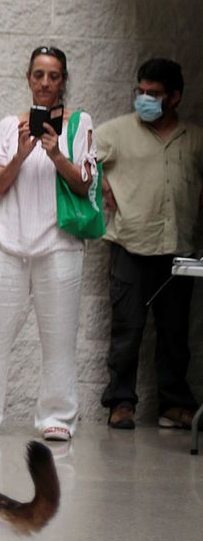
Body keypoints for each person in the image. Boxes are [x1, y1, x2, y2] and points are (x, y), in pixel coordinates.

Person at [0, 46, 95, 440]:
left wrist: (55, 153)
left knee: (59, 338)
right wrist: (21, 153)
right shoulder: (10, 125)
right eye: (38, 75)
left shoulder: (79, 124)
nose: (45, 83)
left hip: (60, 246)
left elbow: (84, 183)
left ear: (64, 81)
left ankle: (57, 417)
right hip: (7, 244)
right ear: (28, 78)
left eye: (54, 76)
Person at [95, 58, 202, 430]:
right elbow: (80, 160)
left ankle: (173, 404)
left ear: (175, 97)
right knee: (127, 329)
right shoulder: (116, 132)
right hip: (130, 245)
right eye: (140, 91)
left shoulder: (194, 137)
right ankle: (120, 403)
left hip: (179, 249)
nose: (144, 99)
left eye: (153, 94)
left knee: (175, 332)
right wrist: (101, 185)